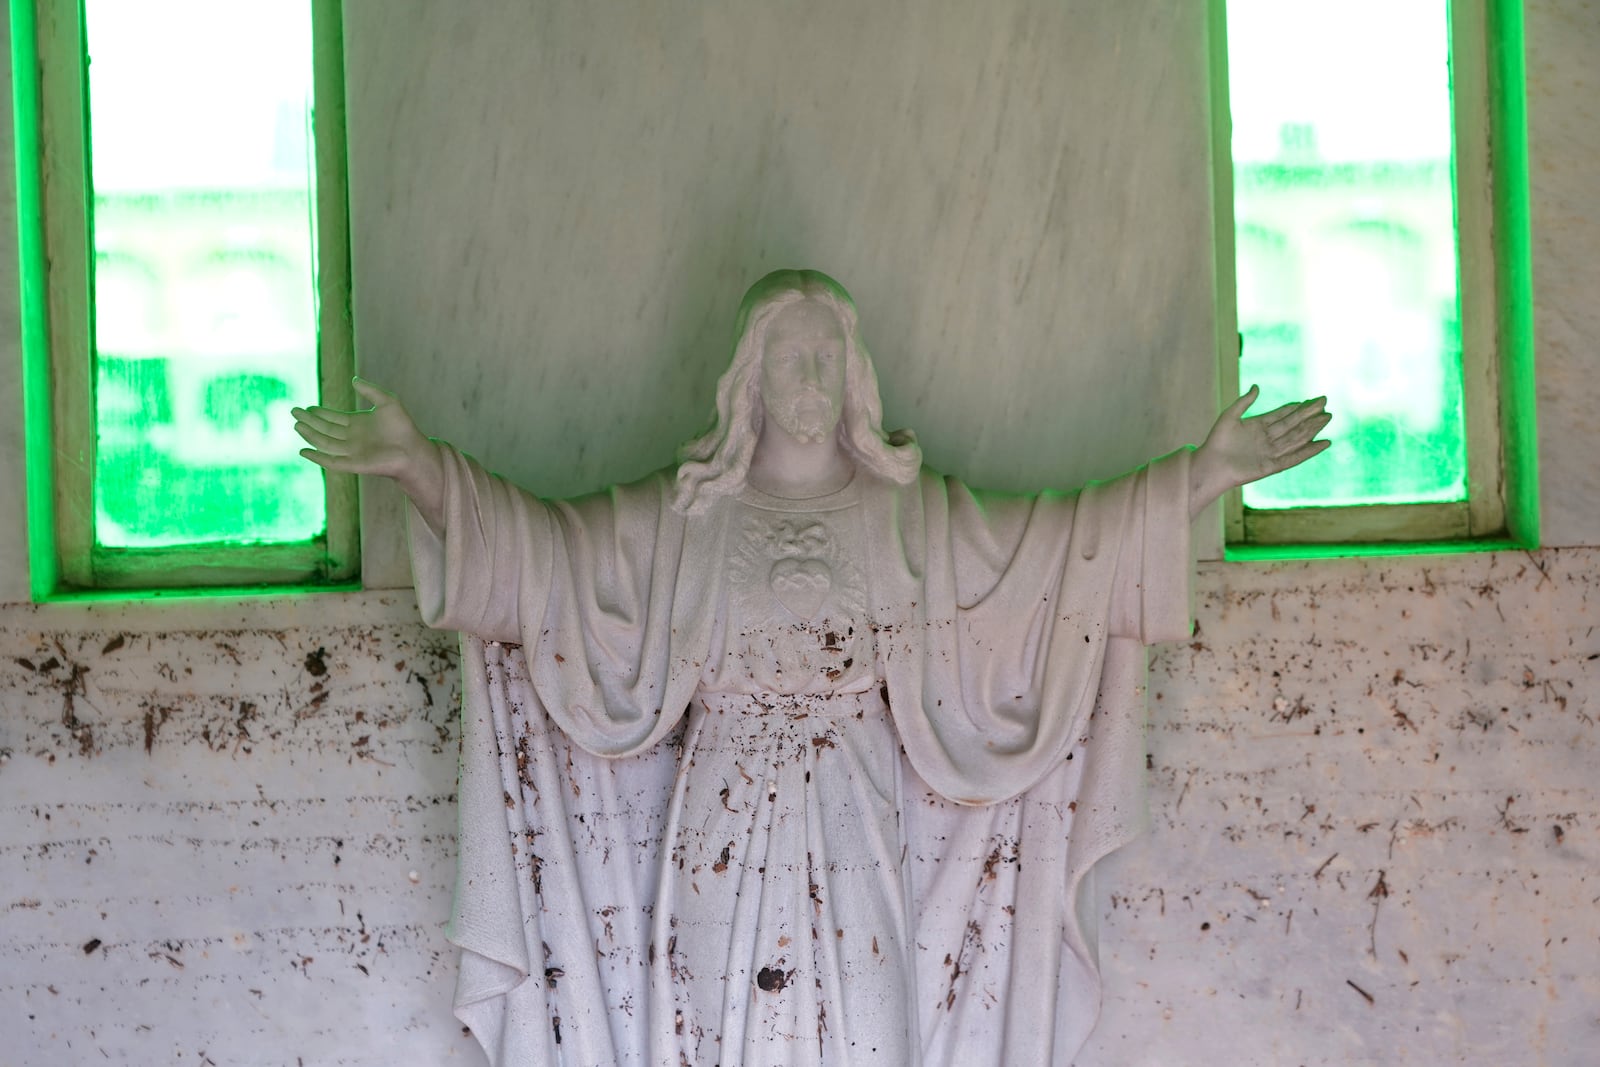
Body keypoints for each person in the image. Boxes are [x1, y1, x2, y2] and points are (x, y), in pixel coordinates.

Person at [293, 269, 1329, 1066]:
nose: (808, 383)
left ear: (853, 377)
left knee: (873, 1024)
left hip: (855, 821)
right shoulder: (691, 516)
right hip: (721, 821)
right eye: (788, 360)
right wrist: (419, 467)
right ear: (748, 377)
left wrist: (1205, 475)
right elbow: (544, 560)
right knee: (712, 1024)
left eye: (825, 360)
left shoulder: (904, 515)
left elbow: (1055, 556)